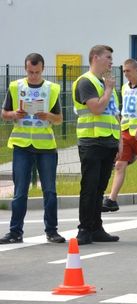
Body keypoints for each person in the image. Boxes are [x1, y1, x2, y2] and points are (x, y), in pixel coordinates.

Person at [0, 53, 65, 244]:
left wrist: (48, 116)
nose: (34, 75)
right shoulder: (15, 86)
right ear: (25, 69)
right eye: (30, 72)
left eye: (37, 72)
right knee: (20, 191)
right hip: (22, 145)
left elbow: (59, 118)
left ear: (43, 69)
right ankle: (15, 232)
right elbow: (4, 114)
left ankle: (52, 231)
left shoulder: (51, 89)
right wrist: (14, 114)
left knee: (50, 190)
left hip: (45, 145)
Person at [73, 45, 121, 245]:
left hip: (108, 140)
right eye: (108, 57)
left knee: (100, 188)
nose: (111, 61)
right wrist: (109, 89)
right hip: (91, 141)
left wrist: (120, 143)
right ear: (95, 58)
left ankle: (96, 227)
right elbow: (97, 109)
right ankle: (84, 229)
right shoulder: (86, 82)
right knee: (90, 187)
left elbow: (115, 115)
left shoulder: (104, 83)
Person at [103, 59, 137, 212]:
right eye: (124, 71)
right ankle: (112, 199)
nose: (126, 74)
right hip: (126, 131)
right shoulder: (124, 87)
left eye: (128, 71)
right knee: (120, 164)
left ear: (136, 70)